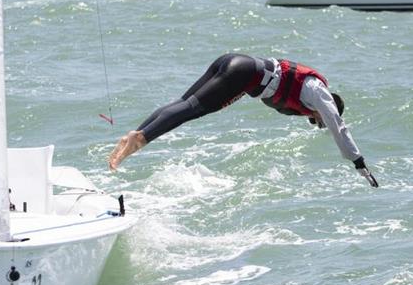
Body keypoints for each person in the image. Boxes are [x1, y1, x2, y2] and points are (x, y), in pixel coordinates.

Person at [108, 54, 379, 187]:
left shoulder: (308, 95)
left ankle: (138, 132)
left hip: (233, 62)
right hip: (243, 74)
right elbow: (337, 125)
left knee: (183, 104)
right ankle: (141, 138)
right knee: (191, 109)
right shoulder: (320, 94)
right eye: (318, 120)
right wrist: (358, 163)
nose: (316, 121)